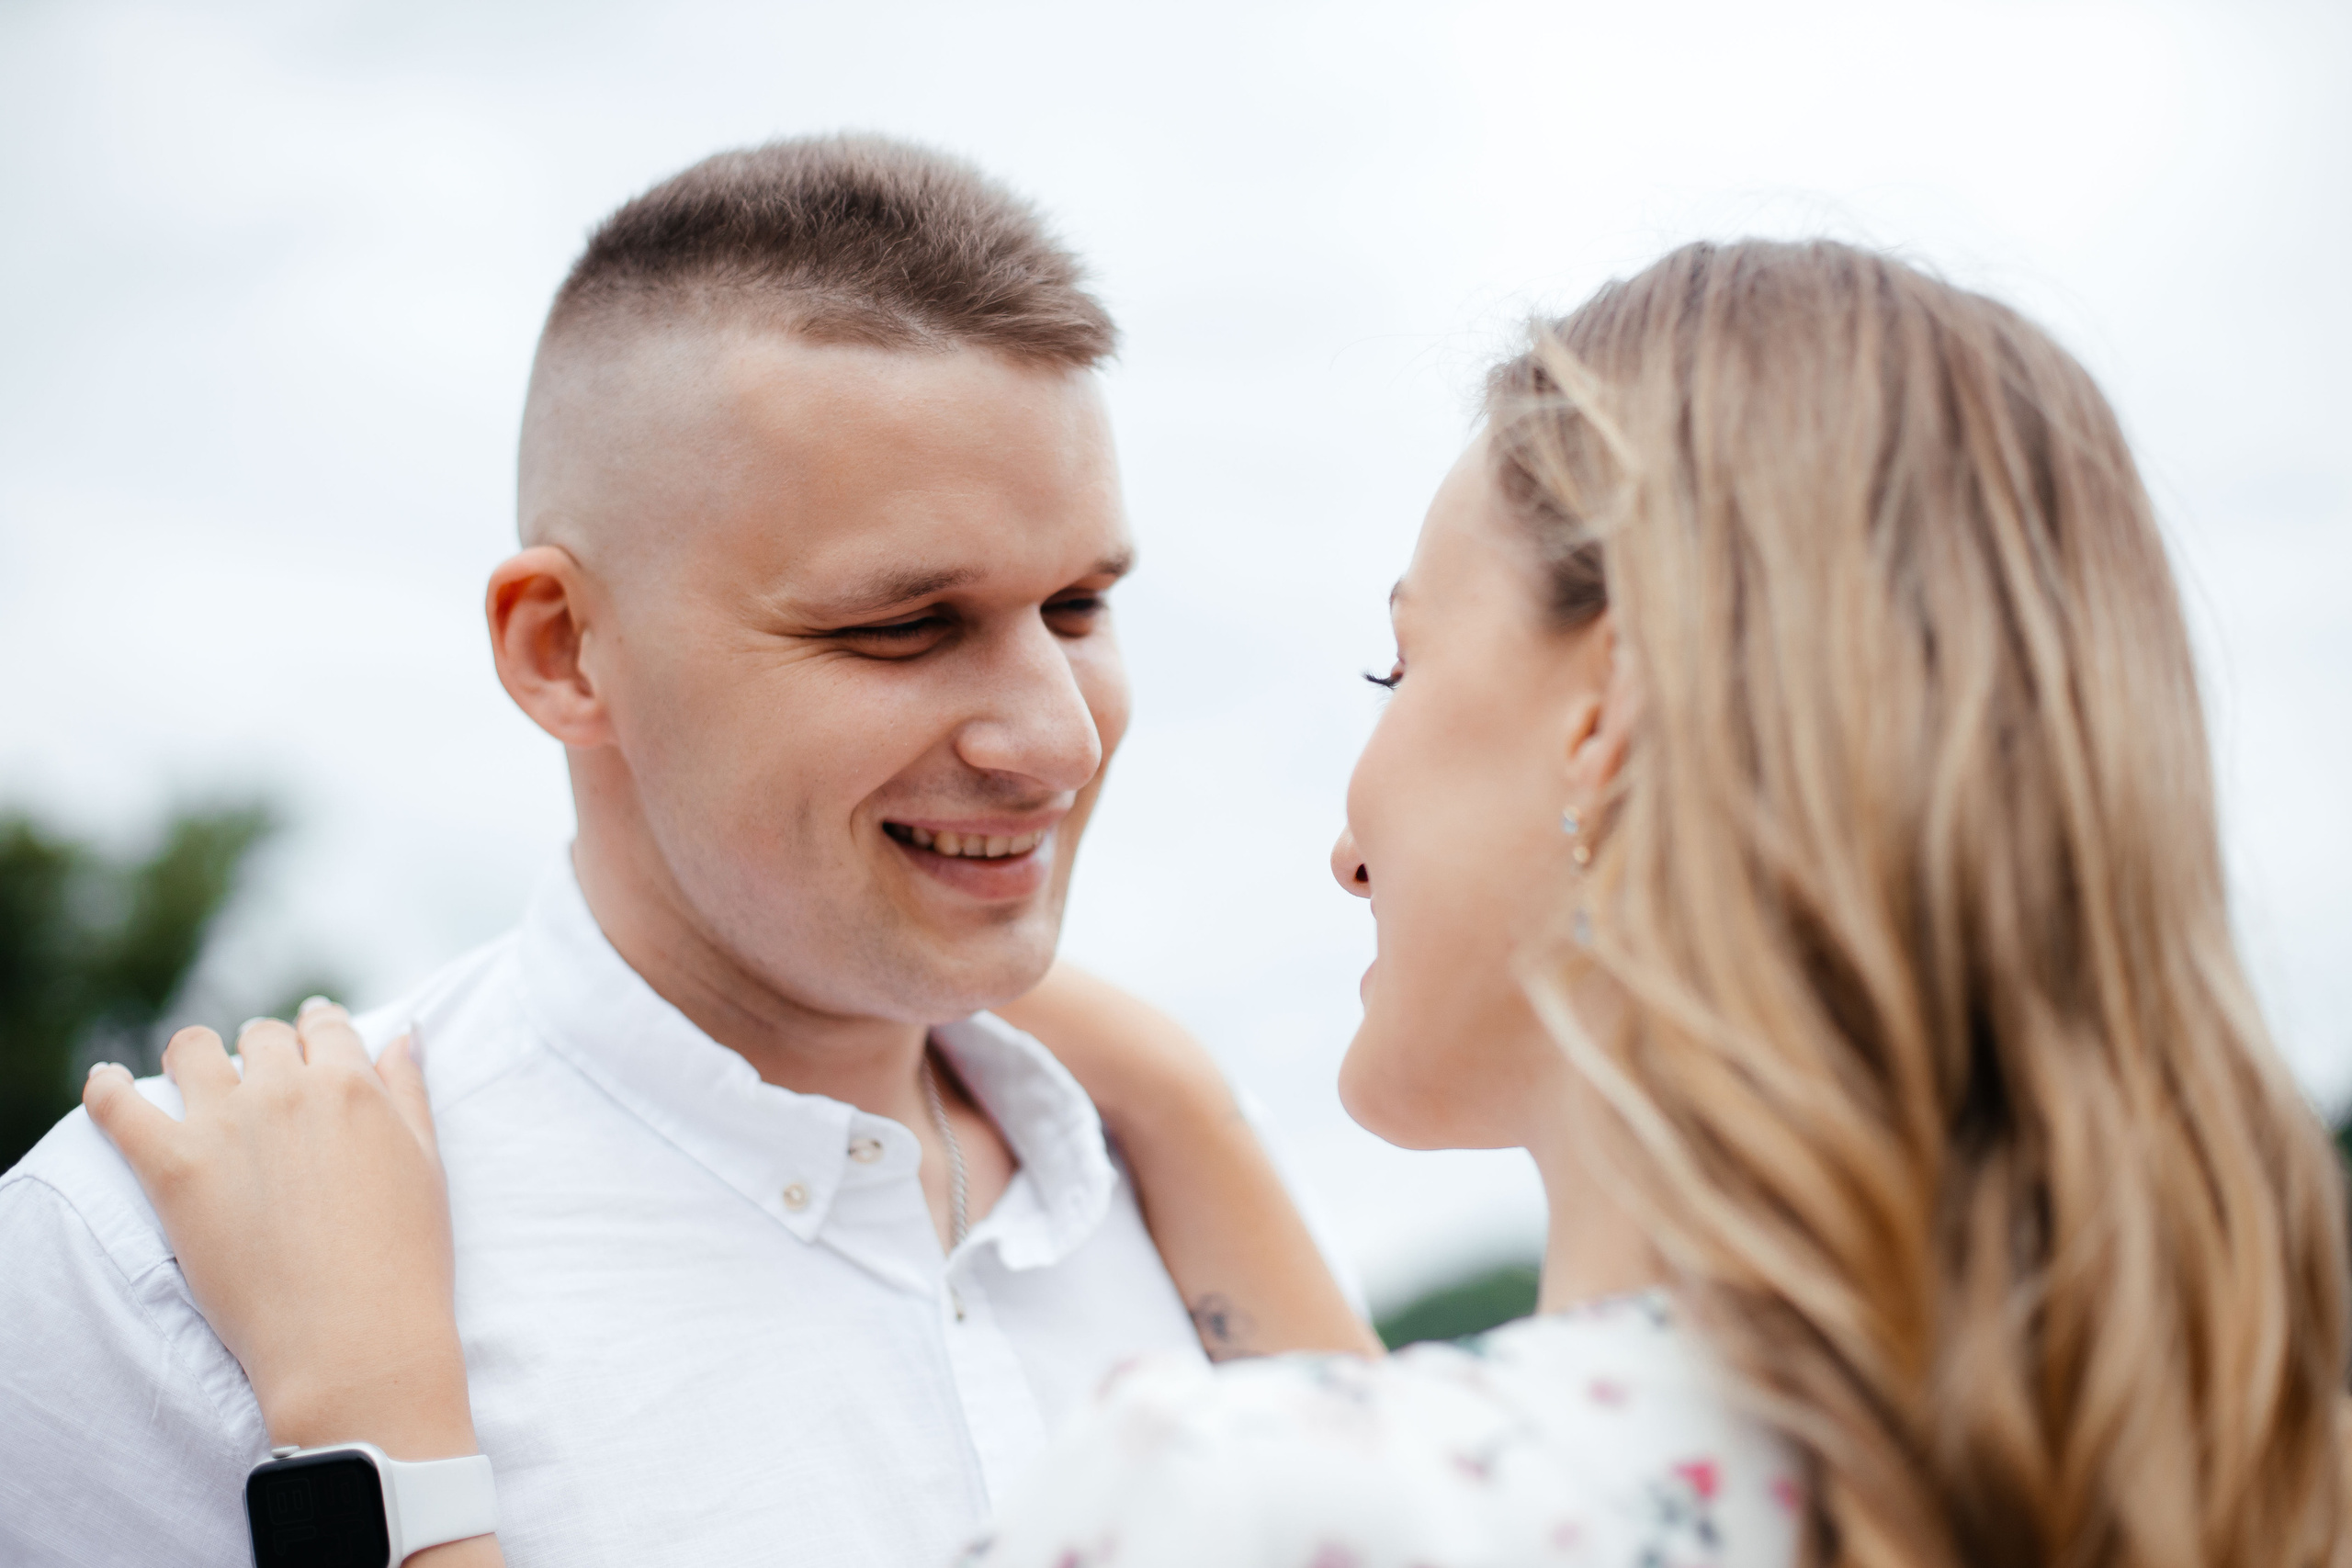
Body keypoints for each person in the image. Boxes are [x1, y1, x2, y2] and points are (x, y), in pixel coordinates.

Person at [82, 237, 2352, 1568]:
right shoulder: (2191, 1450)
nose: (1056, 734)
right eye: (903, 627)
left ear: (1606, 713)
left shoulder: (1245, 1500)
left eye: (1400, 662)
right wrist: (1115, 1062)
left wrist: (383, 1433)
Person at [0, 136, 1370, 1568]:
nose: (1057, 739)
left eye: (1080, 608)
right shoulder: (135, 1279)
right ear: (564, 649)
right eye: (902, 625)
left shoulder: (1190, 1186)